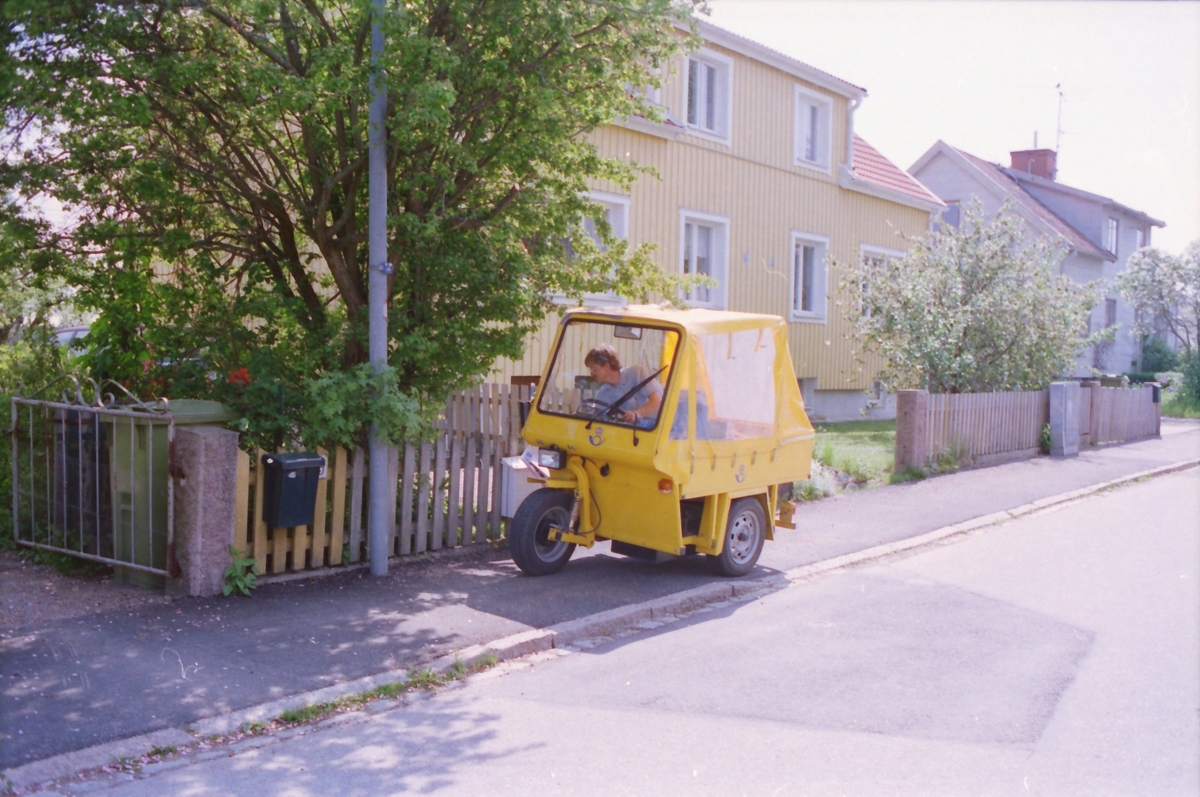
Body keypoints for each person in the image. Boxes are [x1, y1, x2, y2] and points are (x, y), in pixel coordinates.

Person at [584, 344, 662, 426]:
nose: (591, 374)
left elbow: (657, 402)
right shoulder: (603, 392)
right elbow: (595, 418)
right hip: (630, 433)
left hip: (657, 429)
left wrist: (637, 414)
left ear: (606, 366)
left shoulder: (637, 373)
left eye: (593, 369)